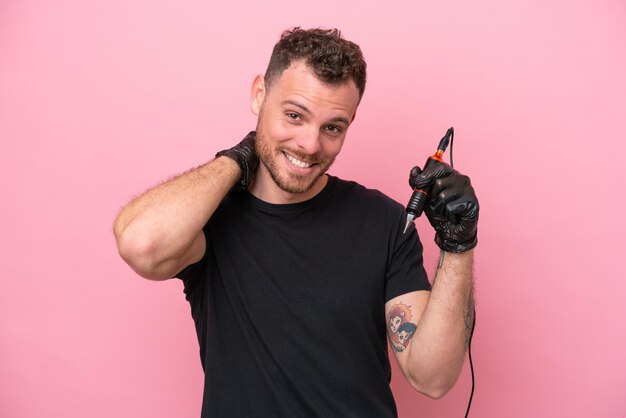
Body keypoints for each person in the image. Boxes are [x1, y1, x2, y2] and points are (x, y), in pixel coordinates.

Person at [114, 27, 479, 418]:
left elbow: (433, 378)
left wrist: (458, 245)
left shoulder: (385, 222)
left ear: (350, 122)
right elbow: (142, 245)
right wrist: (238, 158)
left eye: (333, 128)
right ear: (259, 95)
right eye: (294, 115)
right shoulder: (210, 218)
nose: (310, 144)